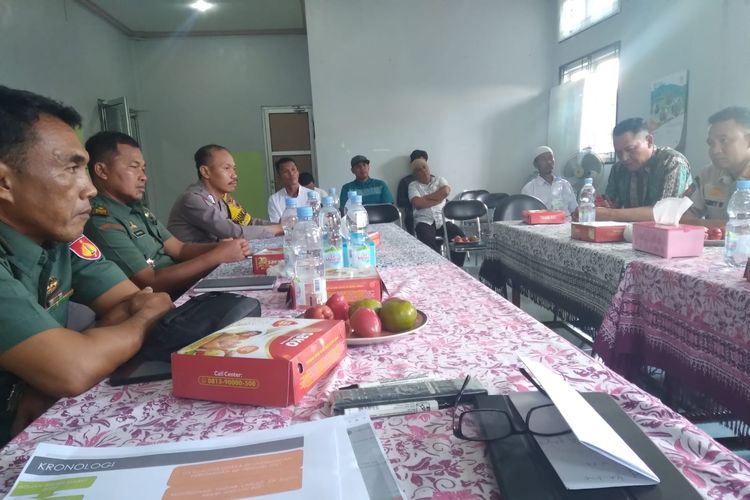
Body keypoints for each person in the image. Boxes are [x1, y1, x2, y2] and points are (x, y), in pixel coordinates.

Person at [0, 86, 173, 443]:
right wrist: (65, 360)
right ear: (4, 181)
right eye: (71, 169)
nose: (89, 189)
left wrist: (46, 373)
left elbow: (141, 298)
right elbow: (73, 369)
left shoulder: (58, 238)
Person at [84, 132, 250, 298]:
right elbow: (151, 282)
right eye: (134, 167)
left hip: (184, 287)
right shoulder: (100, 220)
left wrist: (220, 247)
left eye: (143, 169)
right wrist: (216, 256)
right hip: (164, 300)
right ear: (102, 171)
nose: (143, 177)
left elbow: (179, 249)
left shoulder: (138, 210)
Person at [167, 144, 282, 243]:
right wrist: (278, 229)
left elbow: (248, 222)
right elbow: (233, 232)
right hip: (192, 264)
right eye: (227, 168)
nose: (234, 175)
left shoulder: (224, 199)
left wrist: (280, 225)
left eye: (234, 169)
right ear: (205, 172)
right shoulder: (193, 199)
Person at [596, 117, 692, 222]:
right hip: (632, 233)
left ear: (649, 141)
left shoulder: (672, 162)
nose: (624, 158)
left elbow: (665, 212)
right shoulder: (619, 168)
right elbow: (609, 205)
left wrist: (610, 214)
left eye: (630, 149)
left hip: (673, 234)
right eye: (618, 152)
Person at [684, 106, 750, 222]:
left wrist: (706, 225)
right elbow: (683, 215)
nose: (715, 150)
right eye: (711, 143)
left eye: (723, 140)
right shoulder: (708, 174)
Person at [408, 157, 466, 266]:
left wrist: (426, 198)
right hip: (424, 221)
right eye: (419, 170)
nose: (423, 171)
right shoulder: (413, 185)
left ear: (428, 168)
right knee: (426, 240)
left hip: (443, 219)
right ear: (415, 174)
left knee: (460, 237)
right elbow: (418, 204)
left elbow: (446, 191)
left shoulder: (439, 180)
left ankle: (456, 267)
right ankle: (438, 267)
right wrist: (439, 199)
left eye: (424, 167)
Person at [521, 146, 577, 214]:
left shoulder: (565, 184)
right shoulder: (529, 189)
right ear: (536, 164)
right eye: (544, 159)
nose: (549, 161)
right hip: (542, 223)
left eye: (551, 158)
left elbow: (574, 210)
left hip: (566, 222)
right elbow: (526, 216)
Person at [267, 157, 312, 222]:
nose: (291, 174)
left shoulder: (312, 195)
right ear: (279, 177)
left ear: (298, 172)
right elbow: (276, 226)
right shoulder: (274, 200)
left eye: (293, 169)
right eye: (286, 171)